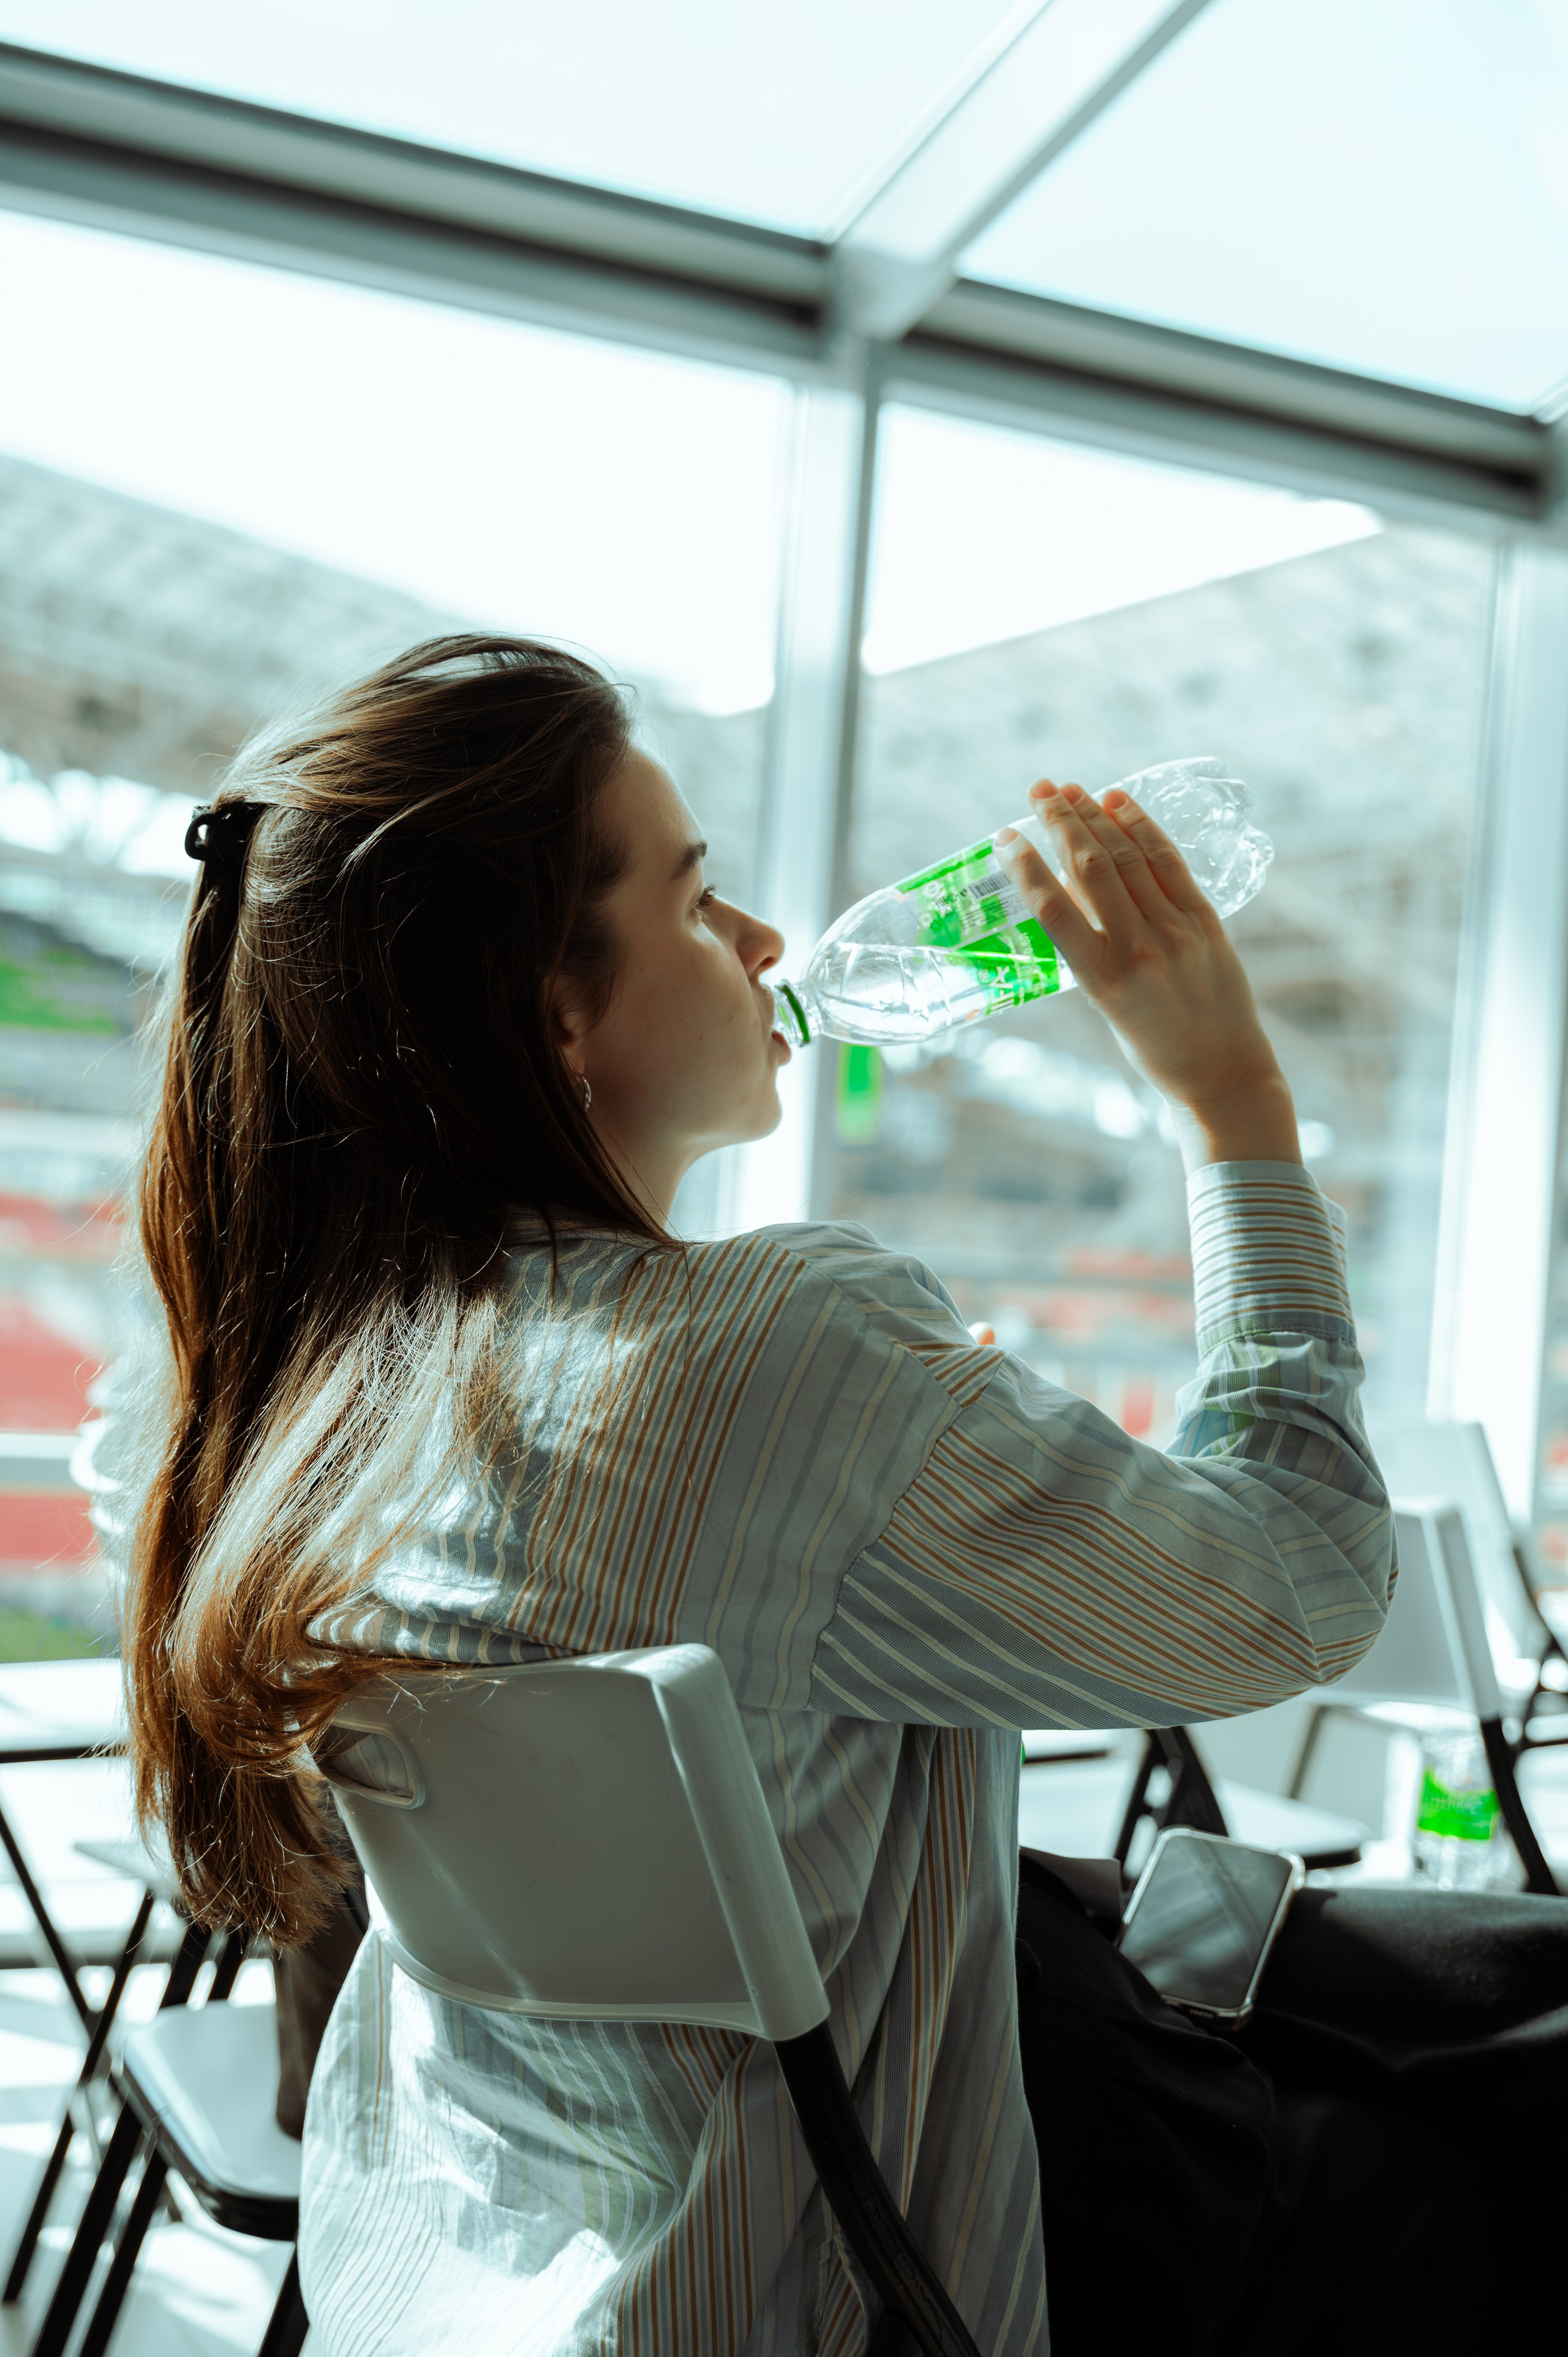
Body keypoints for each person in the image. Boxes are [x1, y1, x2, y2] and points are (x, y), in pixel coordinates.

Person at [116, 635, 1564, 2356]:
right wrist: (1233, 1110)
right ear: (555, 1013)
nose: (765, 947)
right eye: (697, 894)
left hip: (500, 2281)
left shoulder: (328, 1399)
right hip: (867, 2289)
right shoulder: (777, 1343)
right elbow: (1304, 1584)